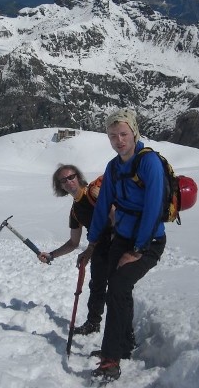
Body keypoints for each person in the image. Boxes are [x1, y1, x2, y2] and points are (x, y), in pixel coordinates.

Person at [77, 108, 167, 382]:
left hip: (149, 240)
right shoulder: (114, 167)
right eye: (113, 136)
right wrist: (92, 241)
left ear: (134, 132)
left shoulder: (148, 162)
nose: (119, 140)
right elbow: (103, 205)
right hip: (124, 237)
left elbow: (153, 208)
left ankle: (110, 359)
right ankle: (124, 343)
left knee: (117, 286)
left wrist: (137, 249)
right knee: (114, 285)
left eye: (123, 134)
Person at [37, 164, 113, 336]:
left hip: (117, 244)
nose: (69, 181)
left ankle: (124, 335)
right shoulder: (75, 211)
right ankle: (93, 323)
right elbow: (73, 242)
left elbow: (115, 217)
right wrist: (52, 255)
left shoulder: (94, 193)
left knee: (117, 291)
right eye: (63, 180)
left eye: (71, 177)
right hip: (100, 249)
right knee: (97, 286)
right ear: (61, 186)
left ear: (78, 177)